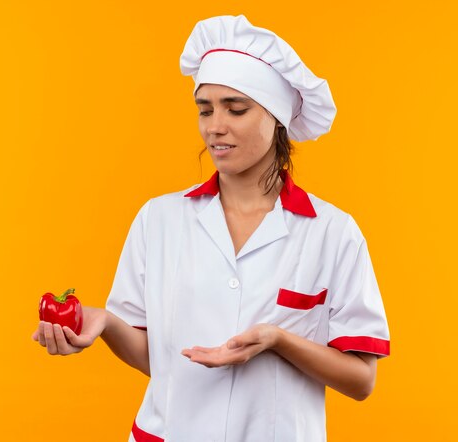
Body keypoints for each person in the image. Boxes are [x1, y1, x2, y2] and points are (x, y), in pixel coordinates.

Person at [32, 15, 390, 441]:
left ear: (276, 118)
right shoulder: (159, 220)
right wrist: (107, 324)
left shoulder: (333, 234)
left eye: (235, 109)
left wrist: (278, 340)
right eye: (205, 109)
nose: (214, 126)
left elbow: (361, 380)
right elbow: (159, 360)